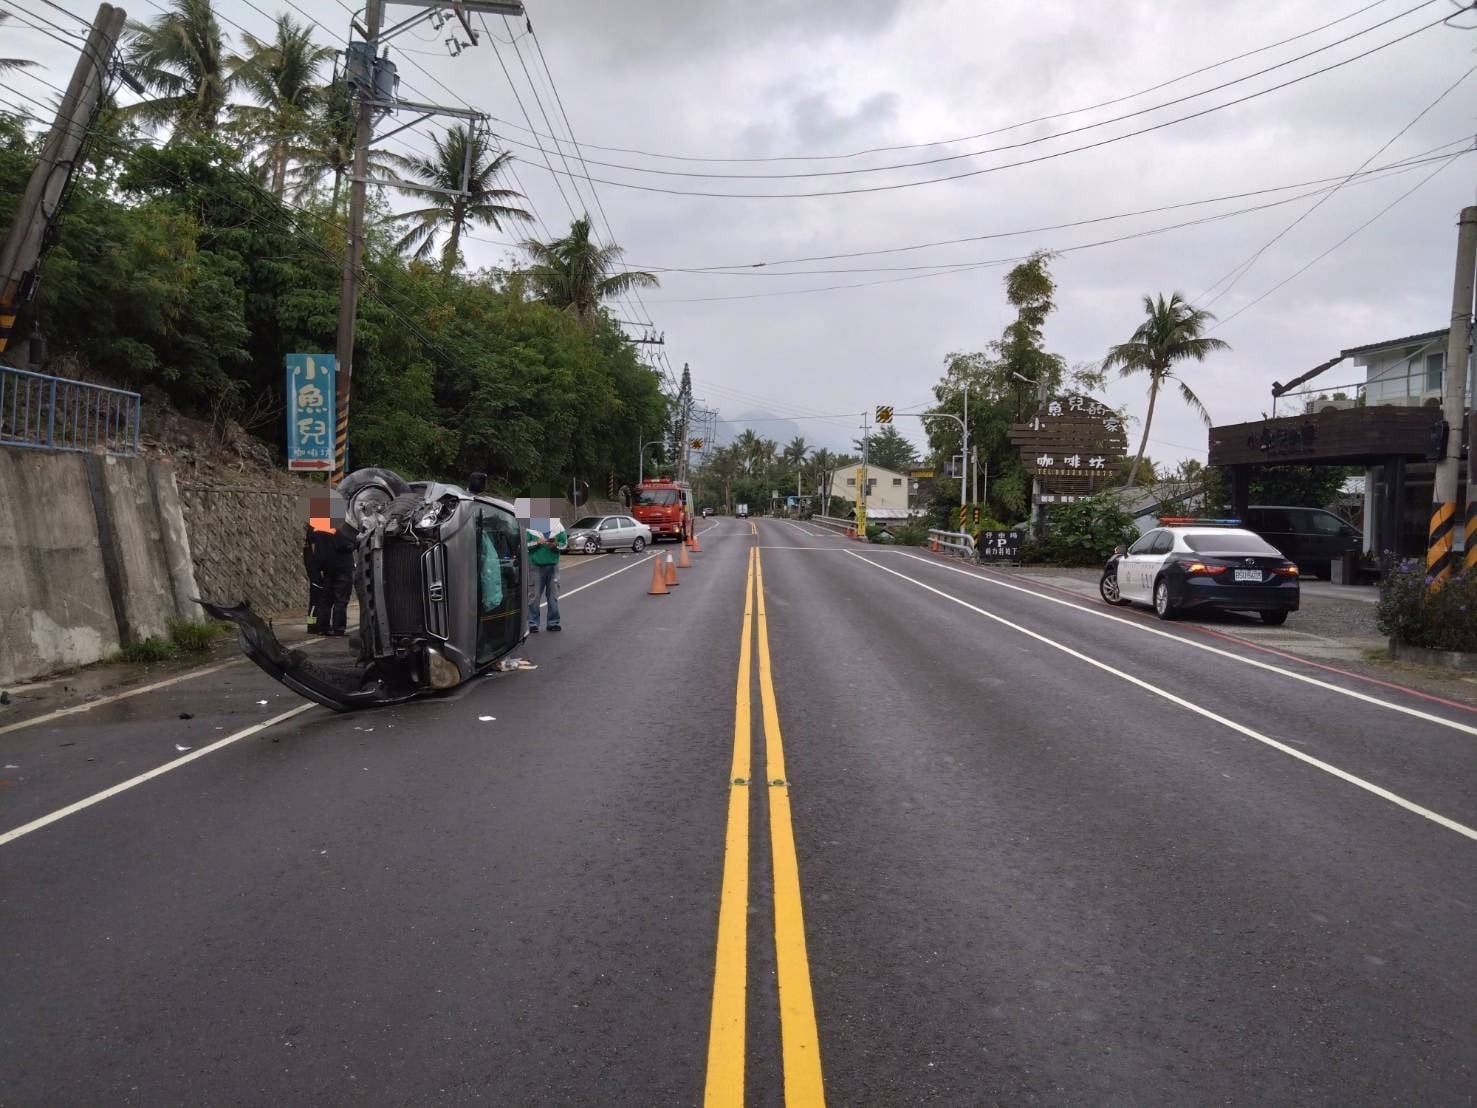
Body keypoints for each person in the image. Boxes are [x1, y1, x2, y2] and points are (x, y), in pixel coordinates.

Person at [526, 521, 566, 632]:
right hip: (535, 566)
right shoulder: (530, 528)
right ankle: (533, 623)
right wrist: (537, 542)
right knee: (534, 596)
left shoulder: (558, 527)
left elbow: (564, 545)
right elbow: (525, 544)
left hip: (553, 566)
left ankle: (553, 623)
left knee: (553, 596)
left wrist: (555, 545)